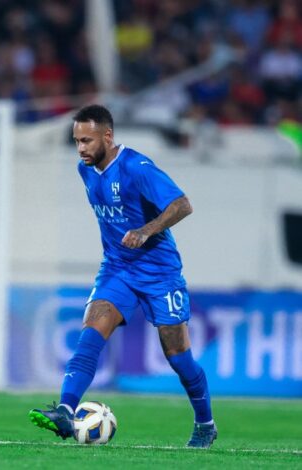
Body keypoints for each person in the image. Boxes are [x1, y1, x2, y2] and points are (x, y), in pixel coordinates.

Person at [28, 105, 217, 448]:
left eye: (87, 140)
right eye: (77, 141)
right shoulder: (85, 171)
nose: (81, 148)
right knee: (90, 335)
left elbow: (182, 204)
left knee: (178, 357)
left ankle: (205, 423)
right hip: (117, 269)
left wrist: (146, 230)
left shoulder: (136, 167)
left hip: (160, 273)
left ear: (108, 136)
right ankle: (65, 411)